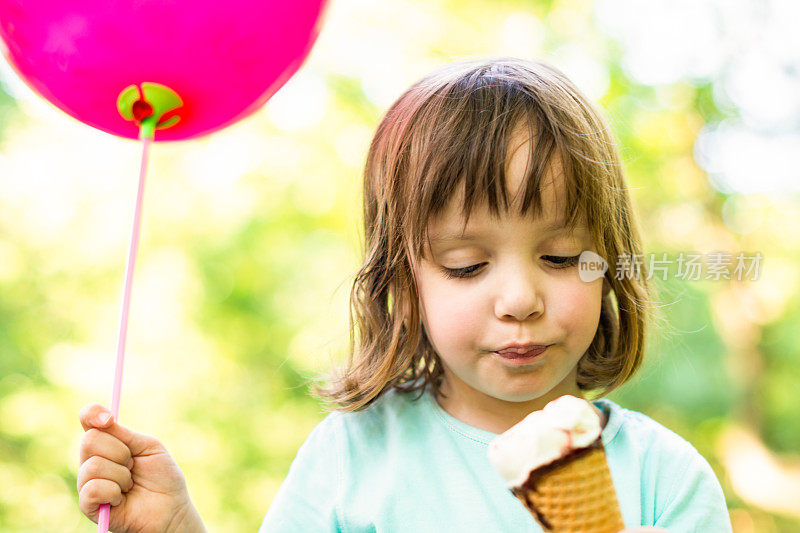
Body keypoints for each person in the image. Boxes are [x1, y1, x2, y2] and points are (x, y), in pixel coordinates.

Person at [77, 57, 733, 532]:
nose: (520, 298)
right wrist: (176, 528)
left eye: (560, 257)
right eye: (467, 264)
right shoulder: (352, 455)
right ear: (403, 284)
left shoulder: (664, 480)